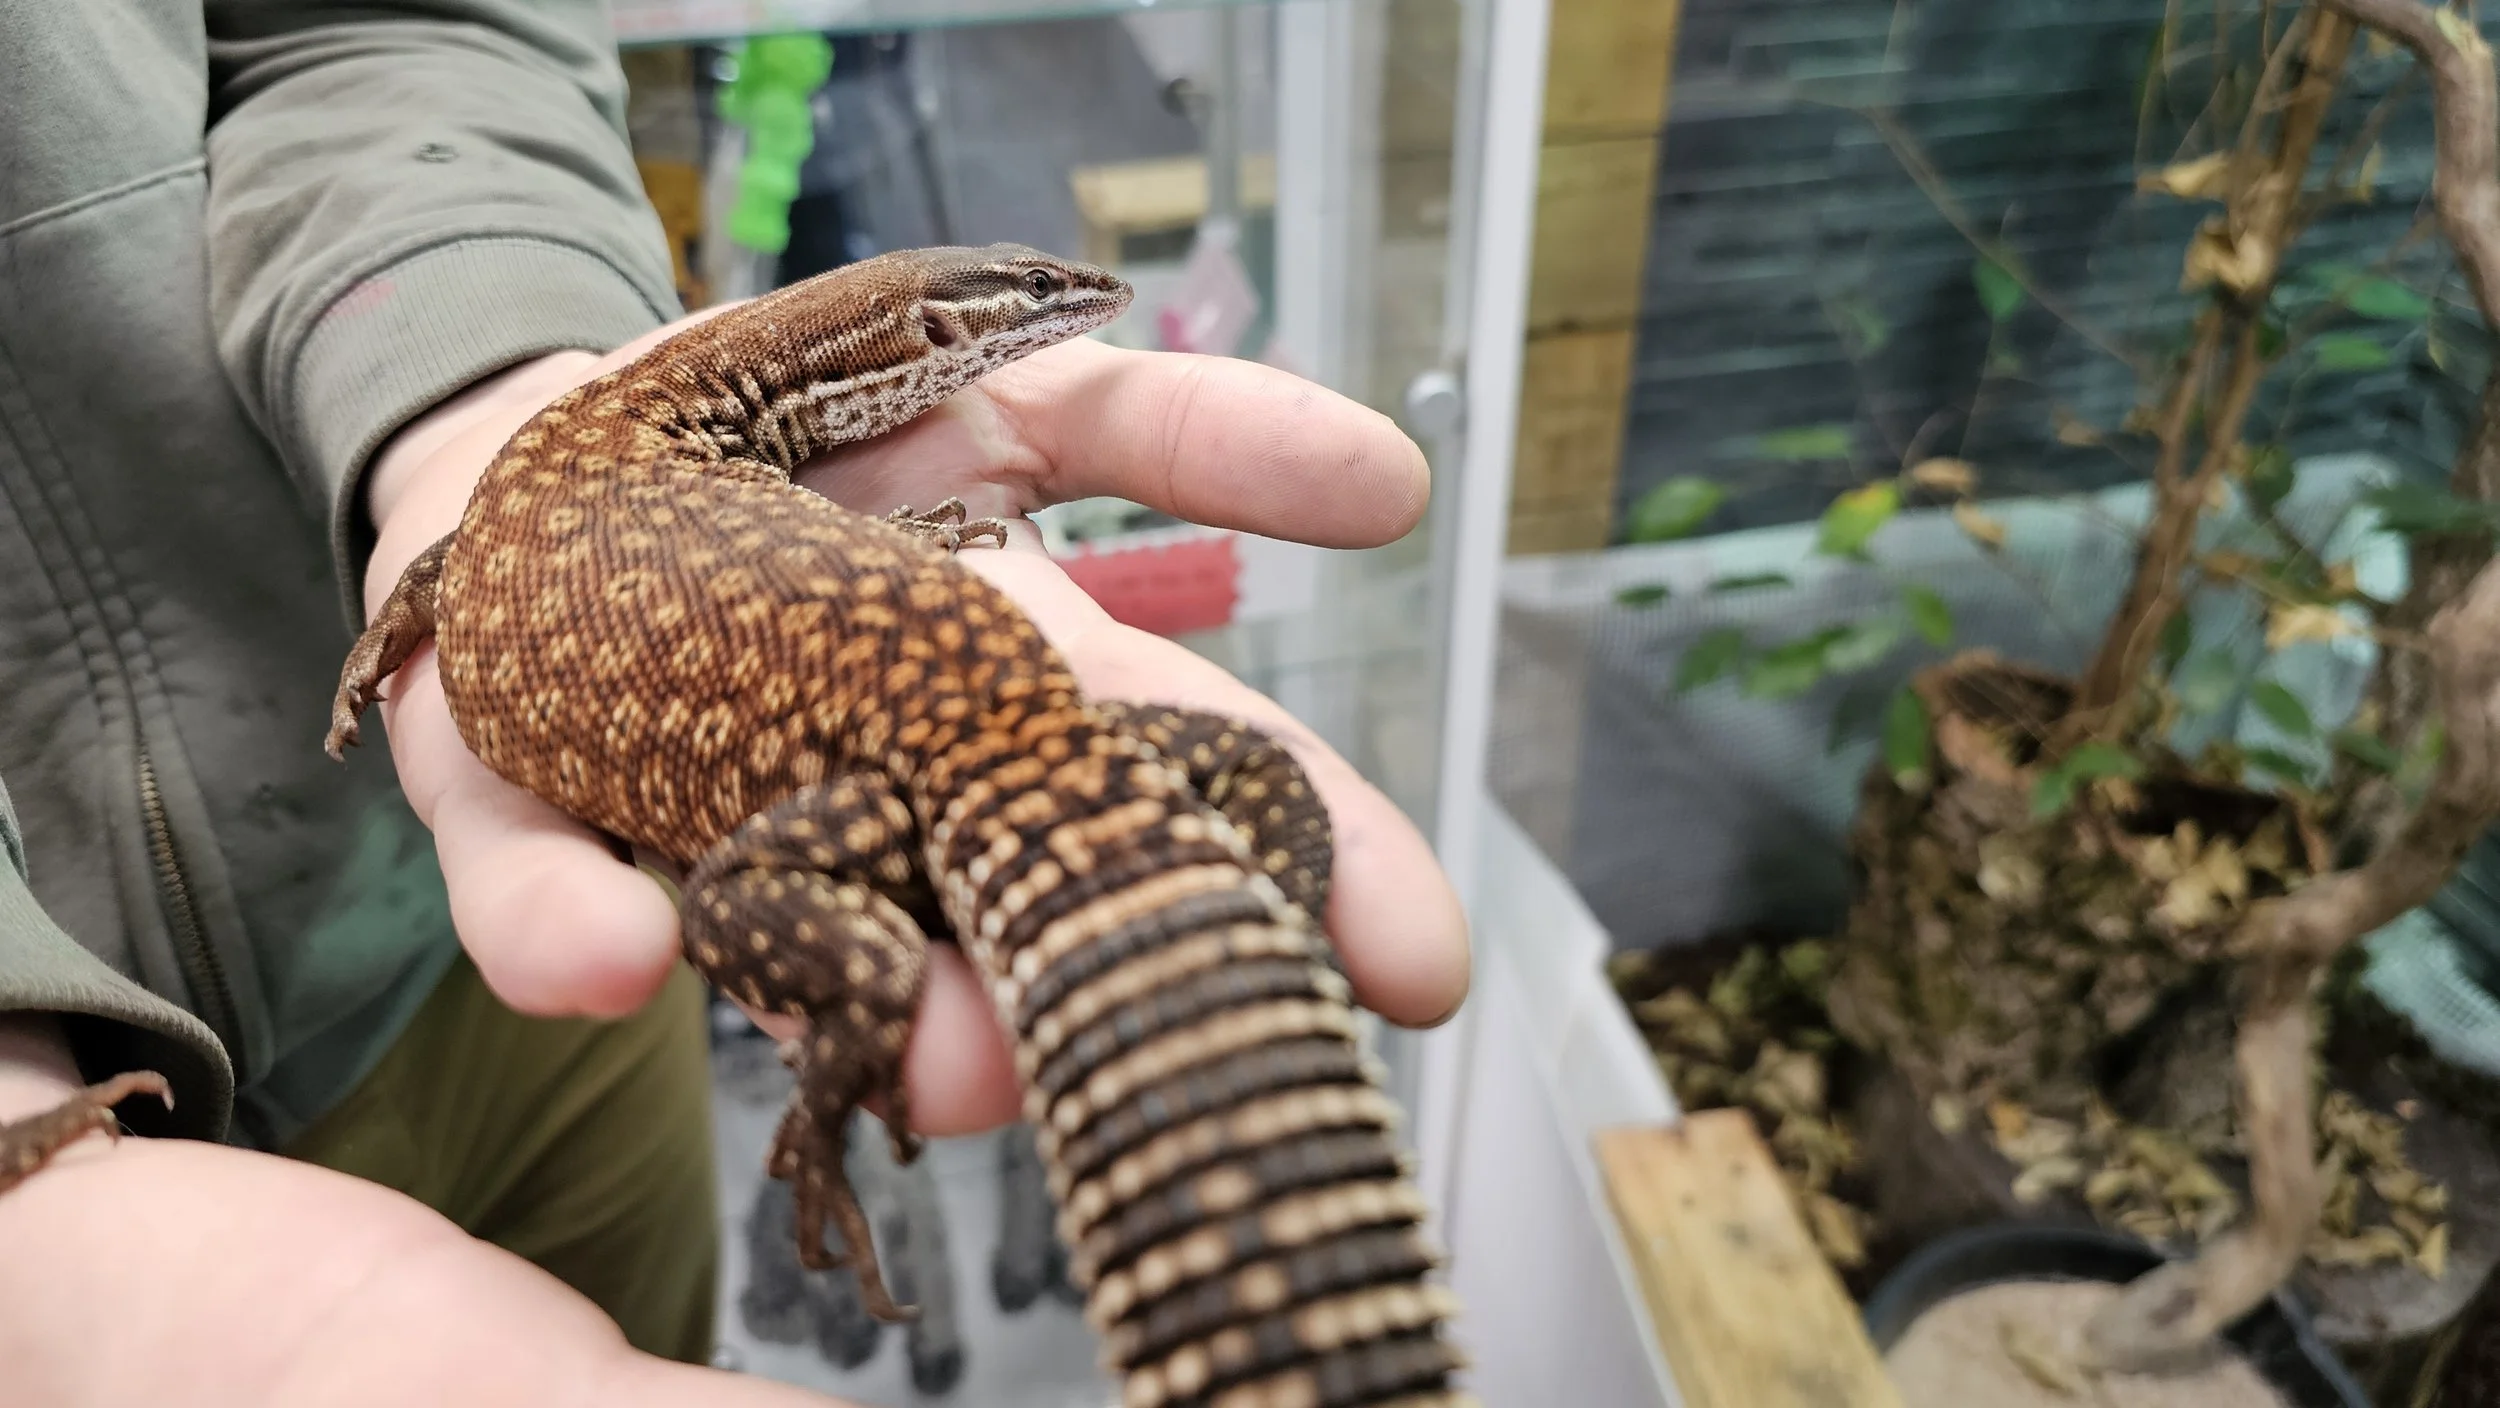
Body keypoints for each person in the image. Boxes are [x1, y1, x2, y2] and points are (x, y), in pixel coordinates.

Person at [0, 4, 1470, 1403]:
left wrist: (450, 392)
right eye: (1016, 308)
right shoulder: (649, 482)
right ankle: (1002, 1016)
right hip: (145, 994)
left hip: (530, 971)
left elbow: (390, 36)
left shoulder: (554, 487)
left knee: (697, 1035)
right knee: (795, 934)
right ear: (885, 361)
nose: (1062, 315)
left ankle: (1059, 997)